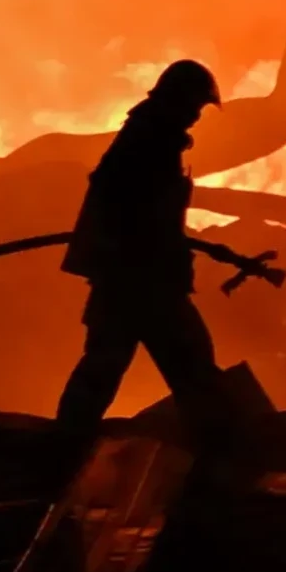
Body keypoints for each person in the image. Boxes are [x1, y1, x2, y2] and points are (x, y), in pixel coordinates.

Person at [55, 56, 242, 438]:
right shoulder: (150, 141)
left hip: (129, 280)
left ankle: (65, 442)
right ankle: (219, 450)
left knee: (105, 366)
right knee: (191, 366)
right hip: (143, 282)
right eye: (195, 106)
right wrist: (158, 254)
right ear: (180, 98)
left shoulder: (148, 137)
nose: (196, 116)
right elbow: (136, 211)